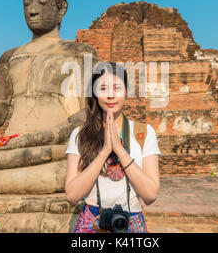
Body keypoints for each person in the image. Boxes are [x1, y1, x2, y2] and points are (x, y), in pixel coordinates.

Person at [64, 62, 161, 233]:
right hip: (93, 221)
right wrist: (104, 152)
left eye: (117, 88)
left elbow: (150, 195)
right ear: (94, 93)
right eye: (103, 88)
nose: (110, 95)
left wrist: (120, 150)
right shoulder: (80, 135)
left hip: (131, 220)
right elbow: (72, 196)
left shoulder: (144, 133)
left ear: (126, 92)